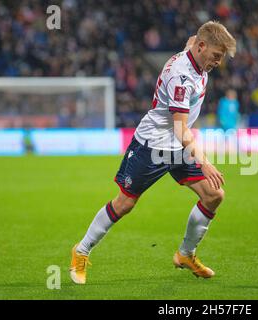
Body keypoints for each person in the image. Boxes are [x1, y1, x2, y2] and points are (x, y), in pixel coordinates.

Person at [70, 21, 237, 284]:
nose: (218, 62)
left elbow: (194, 36)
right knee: (125, 203)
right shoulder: (182, 79)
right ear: (202, 47)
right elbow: (182, 130)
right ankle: (81, 250)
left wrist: (212, 32)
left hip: (177, 147)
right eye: (217, 56)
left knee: (214, 195)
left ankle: (185, 254)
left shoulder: (195, 48)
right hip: (153, 144)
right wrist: (204, 163)